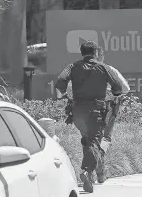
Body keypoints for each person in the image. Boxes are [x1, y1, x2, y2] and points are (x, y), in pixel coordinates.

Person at [55, 41, 129, 193]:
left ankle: (92, 175)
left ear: (81, 52)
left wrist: (64, 96)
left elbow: (60, 82)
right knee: (95, 142)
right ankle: (86, 172)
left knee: (87, 140)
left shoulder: (72, 66)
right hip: (95, 111)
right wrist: (115, 95)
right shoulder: (103, 67)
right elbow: (118, 87)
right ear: (96, 53)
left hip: (77, 112)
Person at [94, 47, 130, 183]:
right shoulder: (109, 69)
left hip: (86, 109)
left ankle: (96, 172)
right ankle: (100, 154)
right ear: (102, 56)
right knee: (106, 138)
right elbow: (126, 88)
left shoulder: (81, 70)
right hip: (107, 107)